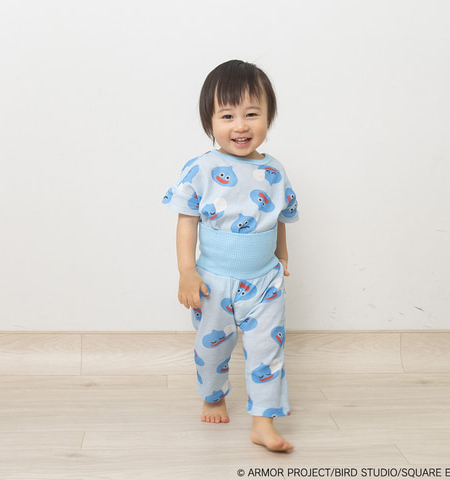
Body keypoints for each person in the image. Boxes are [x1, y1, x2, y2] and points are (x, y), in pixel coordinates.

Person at [162, 60, 298, 452]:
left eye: (252, 114)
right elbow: (186, 221)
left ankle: (263, 423)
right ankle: (213, 395)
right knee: (212, 349)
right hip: (213, 281)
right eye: (227, 116)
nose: (240, 126)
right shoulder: (202, 168)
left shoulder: (275, 172)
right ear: (209, 121)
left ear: (268, 117)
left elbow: (279, 217)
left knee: (267, 350)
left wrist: (282, 256)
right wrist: (187, 271)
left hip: (265, 281)